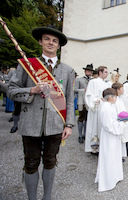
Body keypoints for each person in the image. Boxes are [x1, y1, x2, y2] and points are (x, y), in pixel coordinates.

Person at [7, 25, 74, 200]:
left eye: (54, 41)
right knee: (30, 163)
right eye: (47, 39)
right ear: (40, 41)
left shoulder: (67, 71)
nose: (50, 43)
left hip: (55, 124)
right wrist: (32, 90)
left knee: (51, 162)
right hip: (30, 124)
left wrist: (69, 124)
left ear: (58, 45)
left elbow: (69, 99)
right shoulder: (27, 65)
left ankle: (47, 197)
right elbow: (11, 91)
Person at [95, 88, 126, 192]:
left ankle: (114, 176)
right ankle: (107, 181)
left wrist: (120, 120)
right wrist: (122, 124)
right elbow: (108, 125)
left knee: (114, 155)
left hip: (113, 135)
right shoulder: (106, 108)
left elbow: (113, 120)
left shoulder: (110, 106)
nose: (116, 98)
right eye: (115, 97)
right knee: (109, 156)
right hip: (109, 136)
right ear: (109, 98)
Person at [85, 66, 110, 153]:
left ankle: (101, 147)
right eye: (106, 72)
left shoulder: (106, 84)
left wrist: (106, 99)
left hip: (104, 108)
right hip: (96, 108)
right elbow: (89, 94)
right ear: (100, 72)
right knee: (94, 127)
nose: (107, 74)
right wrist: (96, 100)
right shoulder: (93, 82)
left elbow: (107, 95)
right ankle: (93, 147)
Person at [112, 82, 128, 159]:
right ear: (117, 90)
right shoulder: (114, 100)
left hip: (123, 121)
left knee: (122, 140)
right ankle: (117, 156)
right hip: (118, 123)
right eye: (122, 89)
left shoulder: (119, 99)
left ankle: (121, 155)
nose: (123, 90)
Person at [74, 64, 93, 143]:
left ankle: (86, 134)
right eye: (88, 71)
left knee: (88, 118)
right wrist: (83, 90)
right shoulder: (79, 80)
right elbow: (75, 90)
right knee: (81, 118)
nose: (89, 72)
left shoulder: (93, 81)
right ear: (85, 71)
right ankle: (80, 135)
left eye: (90, 71)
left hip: (90, 102)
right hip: (81, 101)